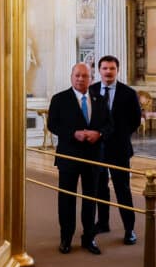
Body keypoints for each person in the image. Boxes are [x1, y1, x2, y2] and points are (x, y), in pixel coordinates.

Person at [46, 62, 111, 255]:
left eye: (85, 76)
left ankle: (89, 238)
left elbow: (110, 125)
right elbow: (53, 125)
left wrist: (99, 134)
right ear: (71, 77)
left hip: (93, 158)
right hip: (69, 157)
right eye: (77, 76)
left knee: (90, 199)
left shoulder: (99, 99)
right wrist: (73, 133)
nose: (80, 79)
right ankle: (66, 238)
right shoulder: (60, 99)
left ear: (91, 78)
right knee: (66, 200)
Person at [89, 55, 142, 245]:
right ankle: (103, 223)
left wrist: (117, 135)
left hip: (119, 149)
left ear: (117, 70)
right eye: (104, 68)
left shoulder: (128, 93)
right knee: (100, 188)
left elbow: (135, 120)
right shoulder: (91, 90)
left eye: (112, 68)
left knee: (122, 189)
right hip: (96, 149)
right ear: (99, 71)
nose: (108, 72)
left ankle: (129, 229)